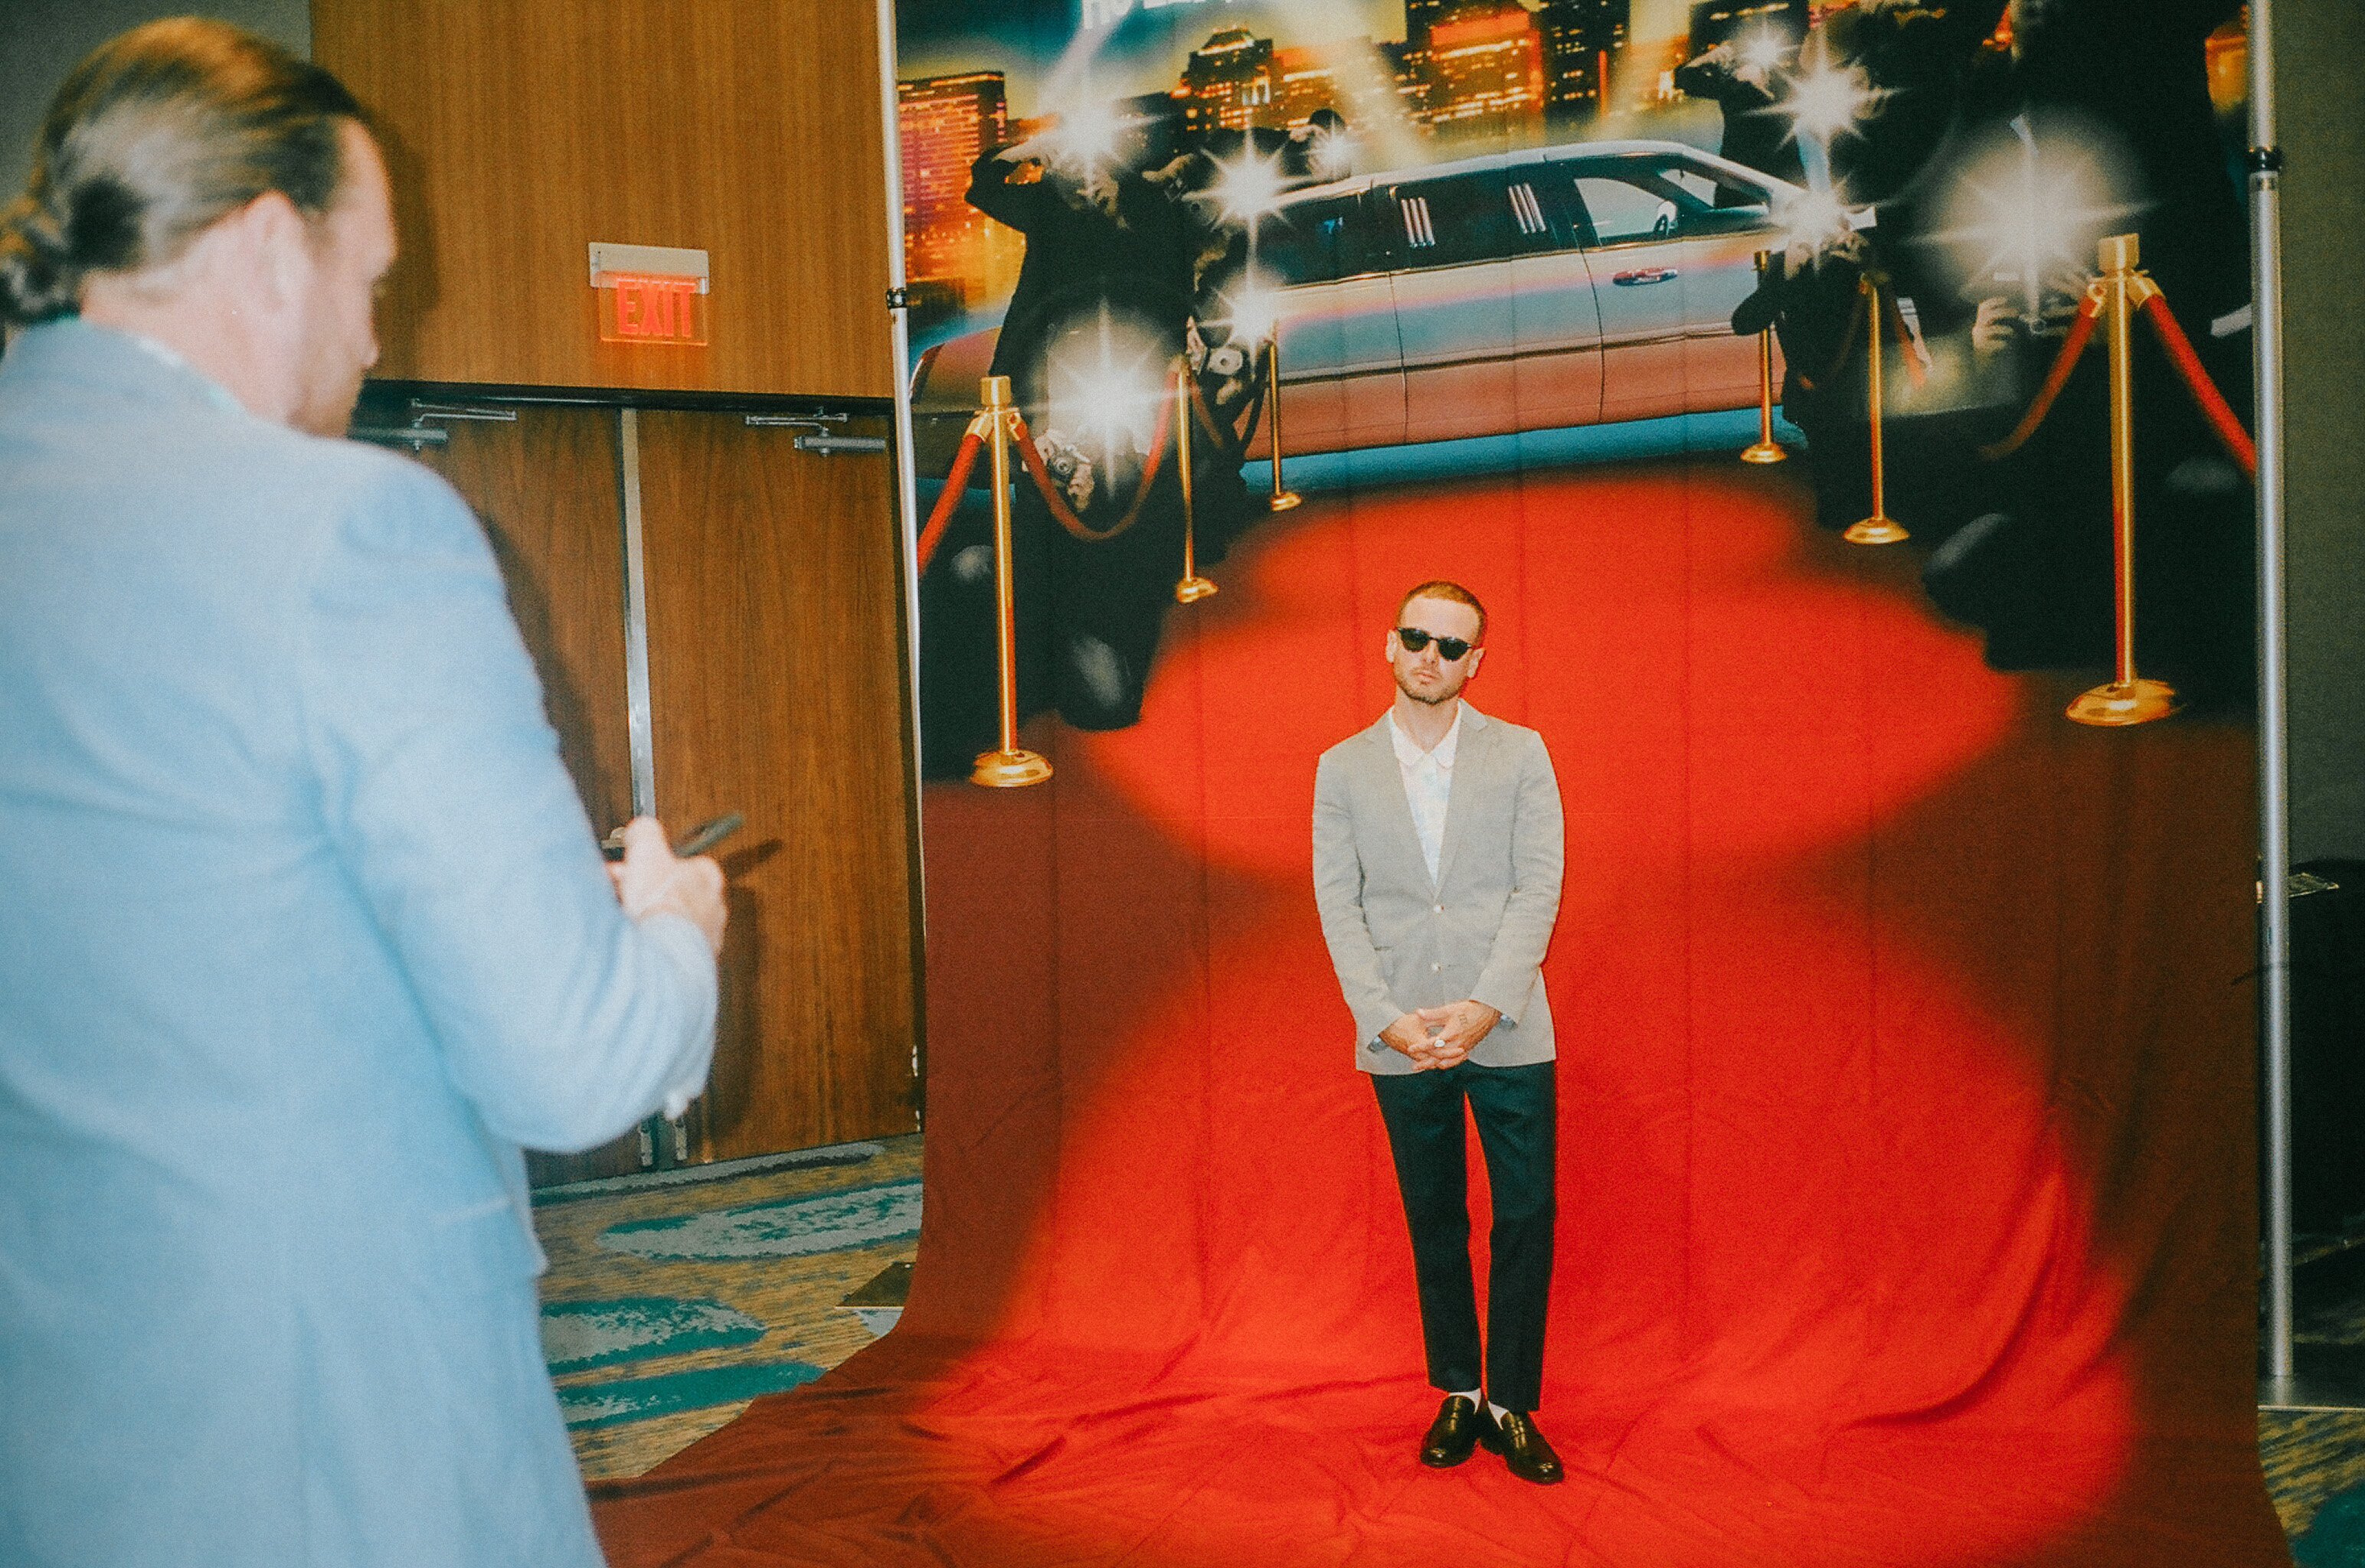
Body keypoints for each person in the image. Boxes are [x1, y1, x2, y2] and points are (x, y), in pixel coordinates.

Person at [0, 21, 726, 1567]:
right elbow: (574, 1060)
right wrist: (673, 933)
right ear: (273, 250)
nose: (377, 339)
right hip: (334, 1447)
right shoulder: (349, 530)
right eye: (373, 280)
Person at [1310, 582, 1568, 1485]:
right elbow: (1337, 903)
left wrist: (1485, 1005)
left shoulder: (1522, 752)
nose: (1431, 655)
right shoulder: (1341, 767)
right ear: (1390, 643)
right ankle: (1458, 1388)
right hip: (1399, 1031)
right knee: (1435, 1217)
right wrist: (1383, 1015)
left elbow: (1538, 887)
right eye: (1417, 637)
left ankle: (1511, 1402)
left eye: (1451, 645)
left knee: (1525, 1213)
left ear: (1475, 661)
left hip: (1507, 1026)